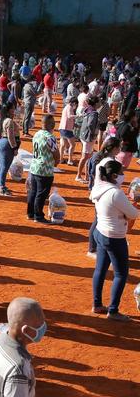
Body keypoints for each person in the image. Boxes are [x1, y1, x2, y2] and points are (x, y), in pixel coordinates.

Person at [90, 159, 139, 321]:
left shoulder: (99, 186)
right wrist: (135, 205)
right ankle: (113, 310)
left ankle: (97, 304)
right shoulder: (116, 193)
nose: (123, 176)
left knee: (100, 269)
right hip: (114, 237)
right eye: (121, 173)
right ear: (114, 175)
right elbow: (133, 214)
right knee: (121, 274)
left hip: (100, 232)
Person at [27, 114, 60, 223]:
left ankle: (30, 213)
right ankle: (38, 216)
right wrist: (56, 162)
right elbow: (56, 153)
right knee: (41, 194)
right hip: (45, 170)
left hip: (34, 167)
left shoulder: (37, 134)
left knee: (33, 192)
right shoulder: (50, 137)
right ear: (51, 124)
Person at [0, 102, 18, 196]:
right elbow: (10, 136)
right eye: (13, 108)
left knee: (1, 166)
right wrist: (14, 147)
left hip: (1, 142)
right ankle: (1, 188)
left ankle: (0, 185)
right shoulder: (9, 121)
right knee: (4, 167)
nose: (14, 110)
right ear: (9, 110)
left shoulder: (3, 119)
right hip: (7, 144)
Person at [77, 95, 101, 183]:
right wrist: (93, 134)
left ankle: (86, 176)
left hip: (84, 135)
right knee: (85, 157)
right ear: (95, 103)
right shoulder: (94, 113)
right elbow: (91, 124)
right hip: (88, 137)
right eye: (98, 101)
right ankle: (79, 175)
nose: (99, 103)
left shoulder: (87, 109)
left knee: (88, 156)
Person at [58, 97, 78, 165]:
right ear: (74, 103)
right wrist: (78, 116)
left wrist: (74, 124)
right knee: (72, 145)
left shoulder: (66, 107)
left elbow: (67, 118)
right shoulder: (69, 107)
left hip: (62, 128)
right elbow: (69, 116)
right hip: (66, 129)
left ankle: (61, 159)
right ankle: (70, 160)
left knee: (63, 145)